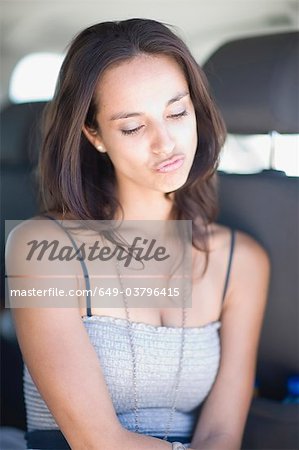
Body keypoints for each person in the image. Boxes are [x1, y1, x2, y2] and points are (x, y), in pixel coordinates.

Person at [5, 18, 270, 450]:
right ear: (95, 135)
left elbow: (222, 435)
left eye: (177, 112)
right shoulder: (39, 250)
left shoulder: (242, 261)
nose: (166, 143)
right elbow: (96, 441)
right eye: (133, 126)